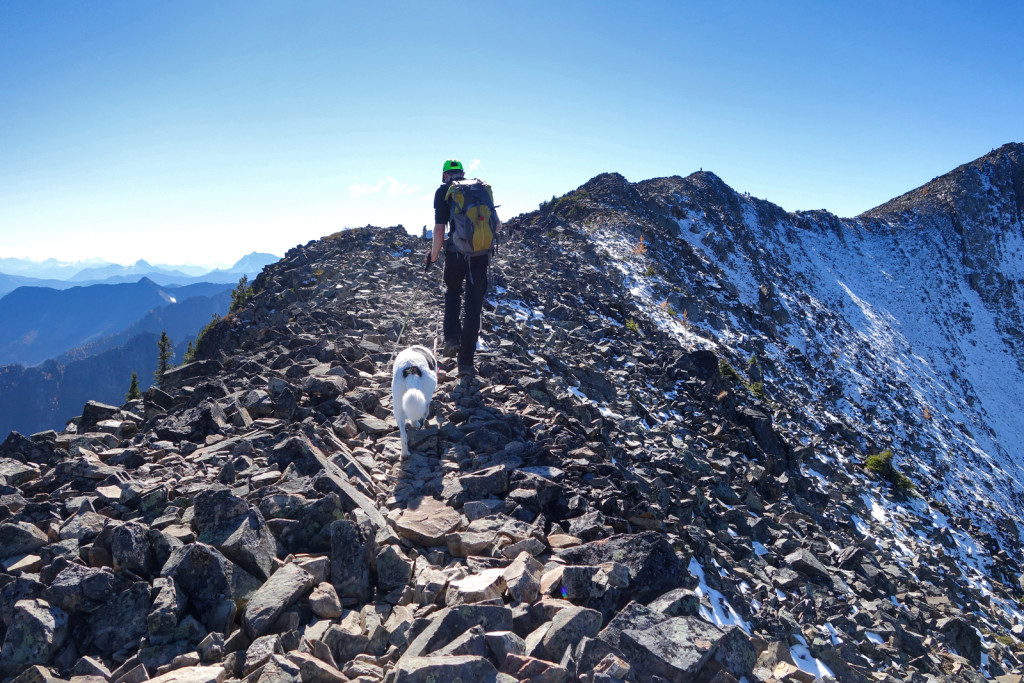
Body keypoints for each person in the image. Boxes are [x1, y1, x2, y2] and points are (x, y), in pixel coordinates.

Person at [425, 159, 500, 379]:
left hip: (456, 253)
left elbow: (440, 230)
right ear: (463, 173)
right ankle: (466, 363)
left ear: (444, 175)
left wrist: (434, 256)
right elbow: (496, 225)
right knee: (473, 305)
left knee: (452, 292)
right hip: (481, 255)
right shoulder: (481, 189)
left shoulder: (444, 192)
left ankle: (451, 339)